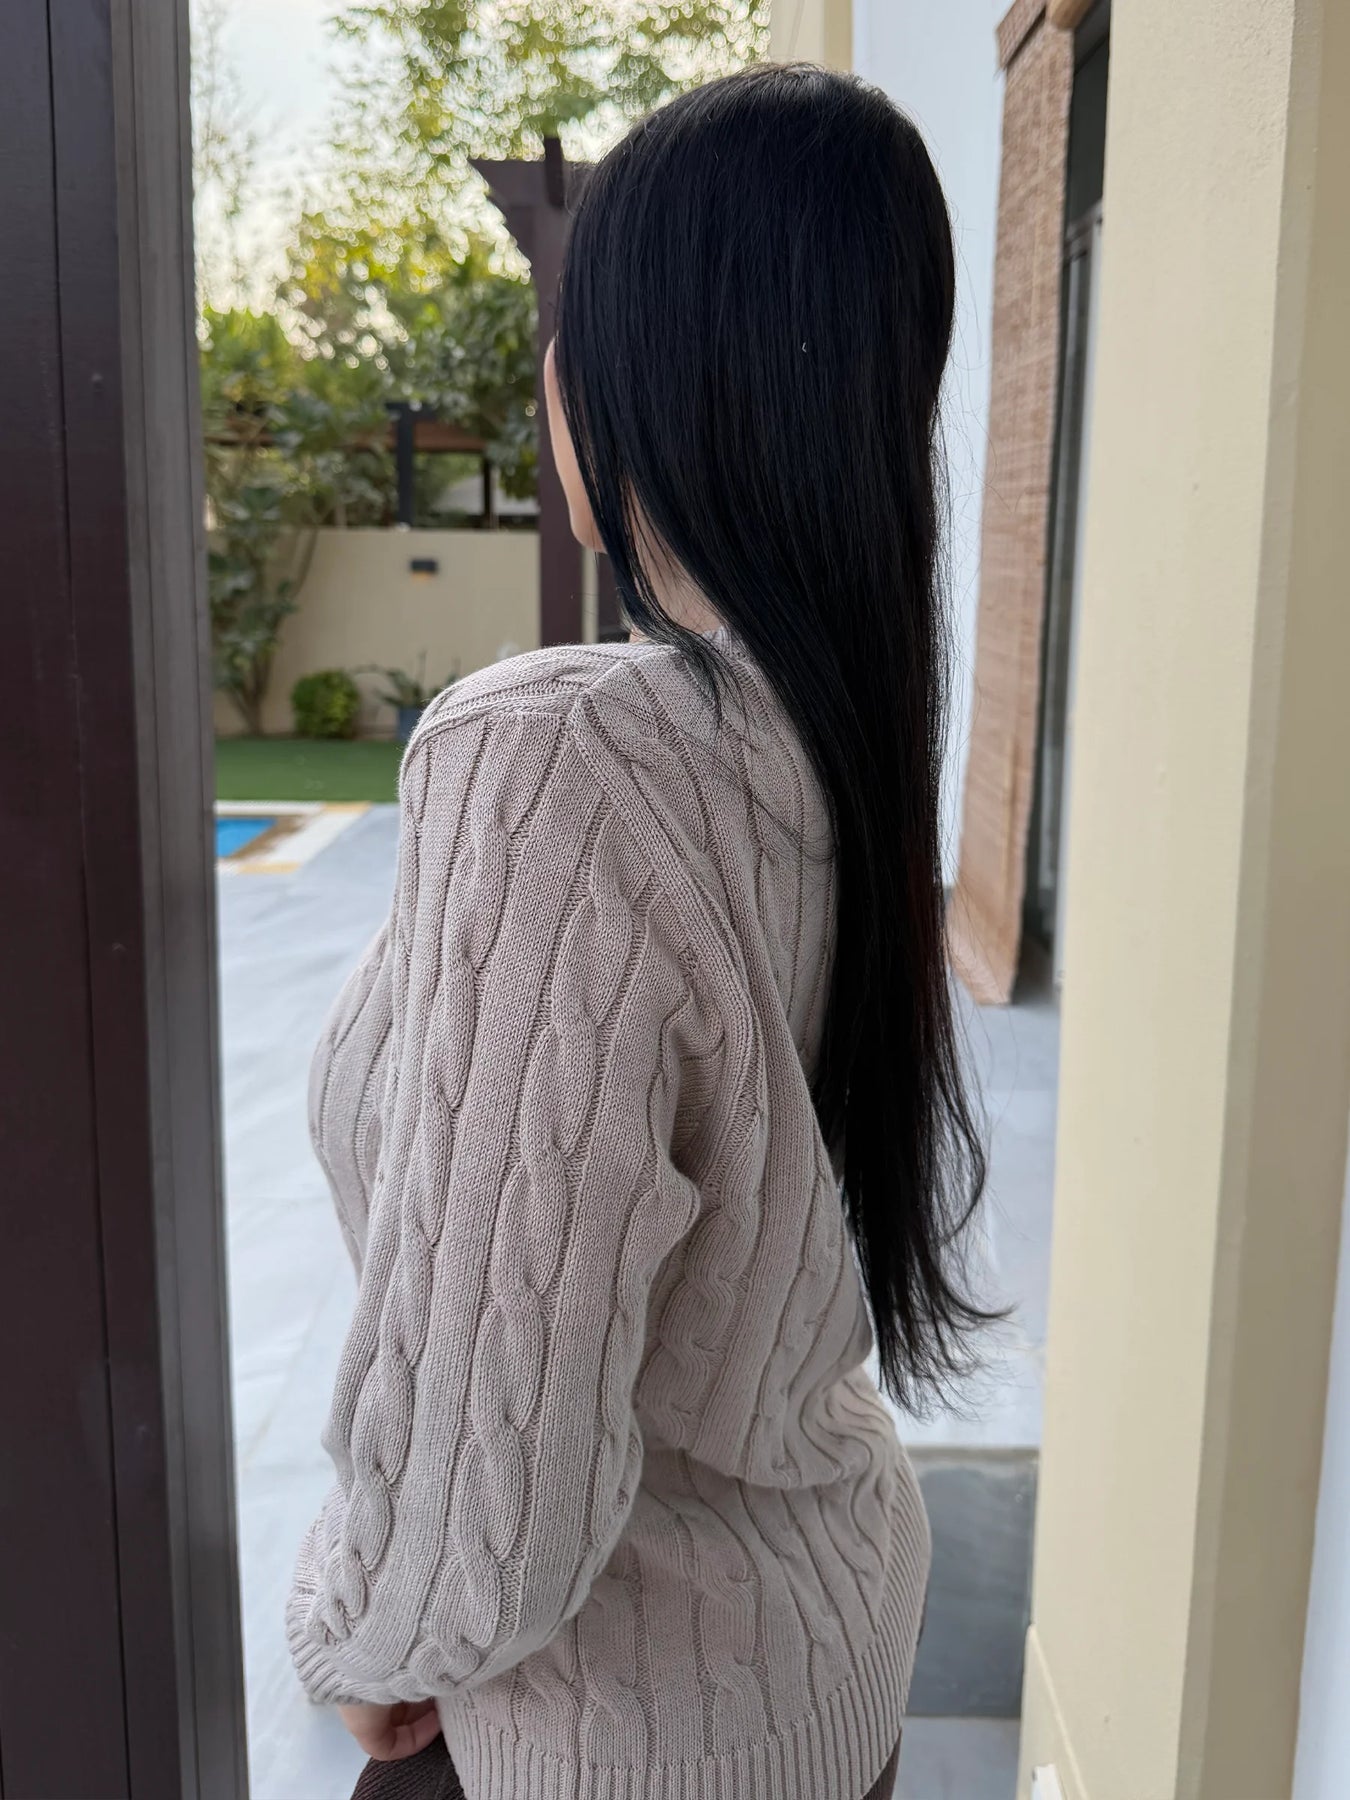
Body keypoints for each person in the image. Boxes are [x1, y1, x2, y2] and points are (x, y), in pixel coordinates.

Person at [287, 61, 992, 1800]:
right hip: (822, 1657)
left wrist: (363, 1635)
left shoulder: (552, 761)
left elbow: (489, 1449)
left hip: (607, 1722)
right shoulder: (840, 740)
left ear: (635, 377)